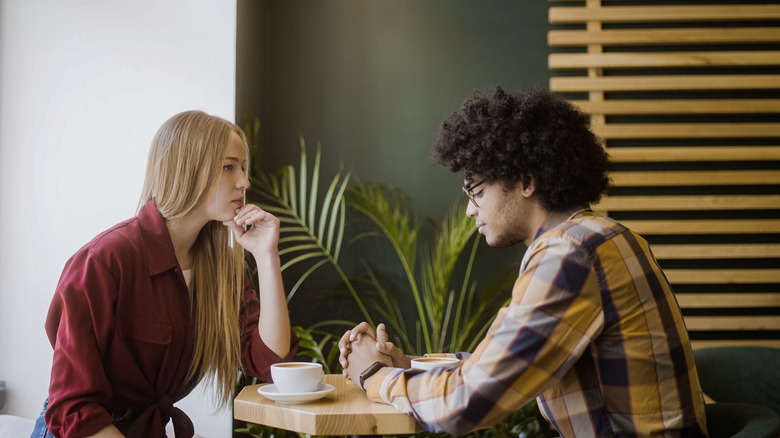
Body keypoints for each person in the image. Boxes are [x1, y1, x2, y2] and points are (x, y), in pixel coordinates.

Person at [339, 86, 708, 437]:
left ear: (527, 181)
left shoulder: (571, 253)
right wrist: (408, 366)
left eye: (477, 191)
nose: (469, 211)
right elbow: (506, 361)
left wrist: (373, 375)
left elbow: (467, 403)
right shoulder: (604, 235)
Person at [32, 111, 298, 438]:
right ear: (187, 170)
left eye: (242, 167)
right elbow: (74, 408)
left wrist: (267, 256)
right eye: (229, 167)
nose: (244, 181)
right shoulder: (105, 260)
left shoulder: (223, 269)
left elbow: (270, 363)